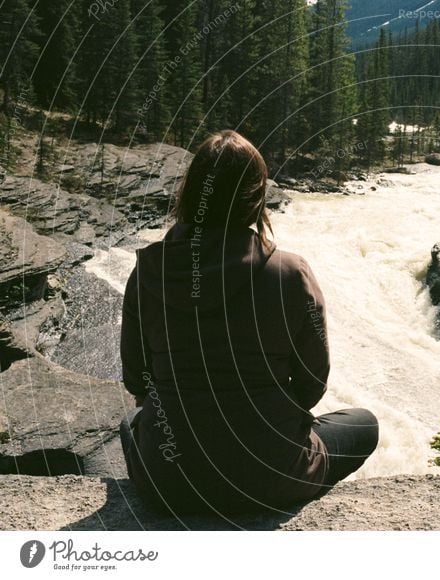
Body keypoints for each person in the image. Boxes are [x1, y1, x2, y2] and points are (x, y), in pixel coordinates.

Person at [119, 130, 379, 515]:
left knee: (130, 422)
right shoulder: (291, 273)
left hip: (171, 483)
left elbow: (136, 380)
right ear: (257, 197)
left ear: (190, 194)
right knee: (364, 424)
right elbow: (312, 383)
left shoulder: (148, 272)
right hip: (273, 476)